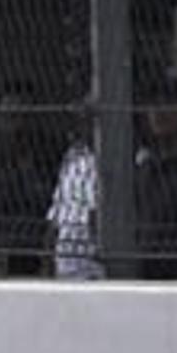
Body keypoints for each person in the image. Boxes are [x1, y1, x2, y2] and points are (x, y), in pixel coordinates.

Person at [0, 81, 60, 276]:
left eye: (18, 117)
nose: (13, 126)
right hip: (7, 254)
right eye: (6, 117)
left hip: (39, 251)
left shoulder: (52, 158)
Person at [135, 75, 177, 279]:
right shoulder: (142, 168)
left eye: (170, 103)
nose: (159, 111)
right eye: (154, 103)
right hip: (141, 276)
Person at [48, 120, 104, 280]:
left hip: (93, 262)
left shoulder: (121, 158)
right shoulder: (74, 156)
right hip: (66, 258)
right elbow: (56, 211)